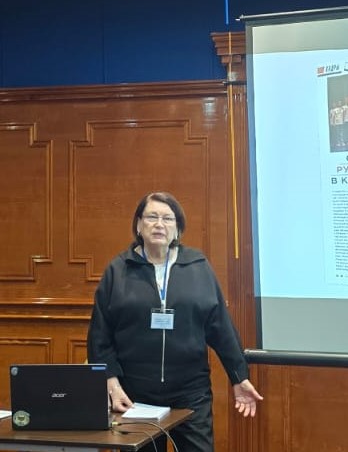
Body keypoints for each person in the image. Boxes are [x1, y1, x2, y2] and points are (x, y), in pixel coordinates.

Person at [87, 191, 263, 452]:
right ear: (138, 225)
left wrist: (239, 376)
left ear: (178, 228)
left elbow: (220, 327)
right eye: (152, 217)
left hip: (190, 393)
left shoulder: (197, 266)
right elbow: (100, 335)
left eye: (168, 219)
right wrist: (110, 382)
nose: (160, 224)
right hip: (135, 394)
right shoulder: (118, 270)